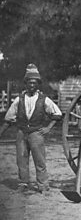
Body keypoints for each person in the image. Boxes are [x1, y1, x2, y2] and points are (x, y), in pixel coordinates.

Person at [0, 64, 62, 194]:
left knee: (40, 160)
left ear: (38, 84)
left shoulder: (44, 100)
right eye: (29, 82)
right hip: (22, 133)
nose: (32, 85)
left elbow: (57, 114)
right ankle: (23, 183)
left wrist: (48, 128)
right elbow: (8, 119)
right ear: (26, 83)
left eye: (34, 83)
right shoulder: (19, 99)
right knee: (21, 160)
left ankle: (43, 185)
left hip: (36, 133)